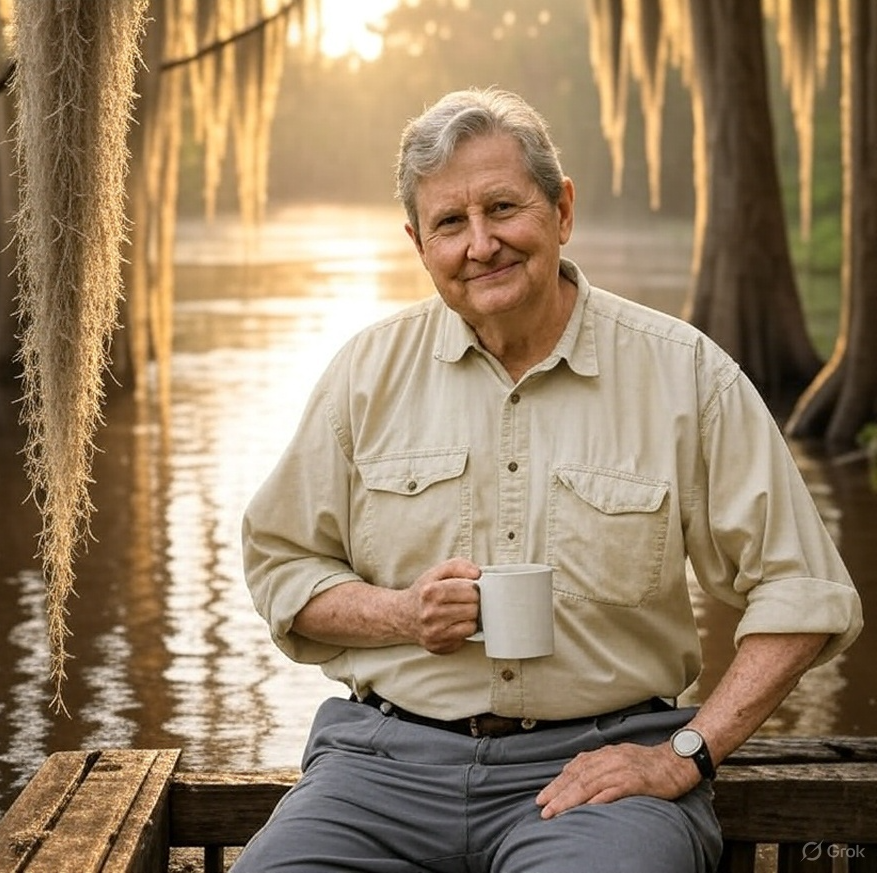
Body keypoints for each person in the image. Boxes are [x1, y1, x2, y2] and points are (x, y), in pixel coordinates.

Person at [232, 87, 862, 873]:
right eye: (449, 223)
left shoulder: (685, 374)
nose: (481, 243)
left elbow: (802, 592)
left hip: (598, 773)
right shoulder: (365, 374)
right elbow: (283, 566)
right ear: (417, 242)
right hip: (377, 769)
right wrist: (400, 612)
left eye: (503, 207)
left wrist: (684, 754)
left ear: (561, 210)